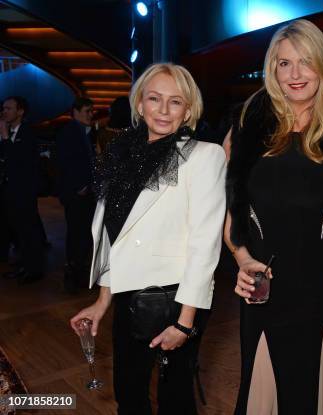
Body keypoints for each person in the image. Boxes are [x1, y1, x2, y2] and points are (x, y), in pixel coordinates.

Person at [69, 63, 226, 415]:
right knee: (129, 395)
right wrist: (101, 301)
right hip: (127, 297)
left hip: (175, 300)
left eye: (175, 102)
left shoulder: (204, 156)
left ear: (188, 110)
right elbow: (117, 238)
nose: (164, 110)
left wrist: (185, 322)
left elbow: (205, 244)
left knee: (175, 399)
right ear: (139, 104)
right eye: (155, 99)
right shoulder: (120, 152)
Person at [225, 19, 323, 415]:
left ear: (322, 64)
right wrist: (242, 258)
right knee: (264, 393)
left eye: (305, 61)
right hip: (264, 285)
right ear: (272, 70)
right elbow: (228, 206)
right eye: (284, 64)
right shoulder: (249, 121)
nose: (296, 74)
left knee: (320, 392)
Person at [0, 96, 44, 283]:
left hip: (24, 192)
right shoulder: (10, 131)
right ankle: (23, 266)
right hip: (10, 192)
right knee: (18, 231)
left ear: (20, 111)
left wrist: (4, 137)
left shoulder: (28, 133)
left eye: (9, 108)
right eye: (3, 108)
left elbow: (19, 161)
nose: (4, 112)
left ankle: (33, 270)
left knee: (28, 231)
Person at [56, 97, 96, 293]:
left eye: (91, 111)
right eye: (88, 111)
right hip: (76, 193)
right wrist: (78, 186)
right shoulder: (68, 132)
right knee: (76, 234)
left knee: (85, 234)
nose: (91, 114)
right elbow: (64, 163)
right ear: (76, 111)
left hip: (87, 192)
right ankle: (73, 275)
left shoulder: (87, 133)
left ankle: (79, 272)